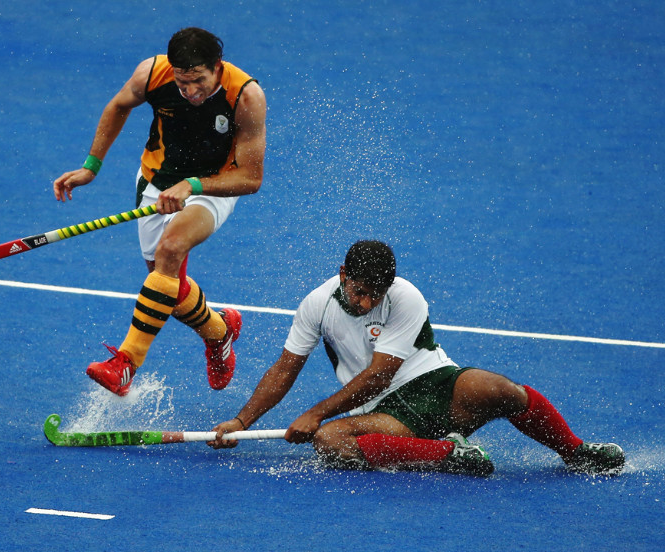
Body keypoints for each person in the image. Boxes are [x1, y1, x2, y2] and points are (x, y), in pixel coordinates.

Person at [209, 240, 625, 476]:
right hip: (385, 413)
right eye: (360, 292)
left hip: (438, 385)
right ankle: (450, 455)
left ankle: (575, 452)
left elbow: (379, 375)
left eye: (377, 293)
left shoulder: (406, 297)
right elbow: (284, 369)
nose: (368, 301)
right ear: (342, 275)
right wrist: (241, 422)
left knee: (502, 389)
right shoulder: (316, 306)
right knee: (330, 441)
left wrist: (314, 412)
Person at [53, 28, 267, 396]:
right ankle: (220, 332)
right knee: (167, 287)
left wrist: (193, 185)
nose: (190, 91)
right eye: (183, 83)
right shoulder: (152, 73)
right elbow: (118, 105)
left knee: (171, 248)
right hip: (154, 182)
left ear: (216, 67)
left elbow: (250, 178)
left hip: (212, 187)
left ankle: (125, 364)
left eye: (198, 81)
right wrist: (91, 166)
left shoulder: (245, 95)